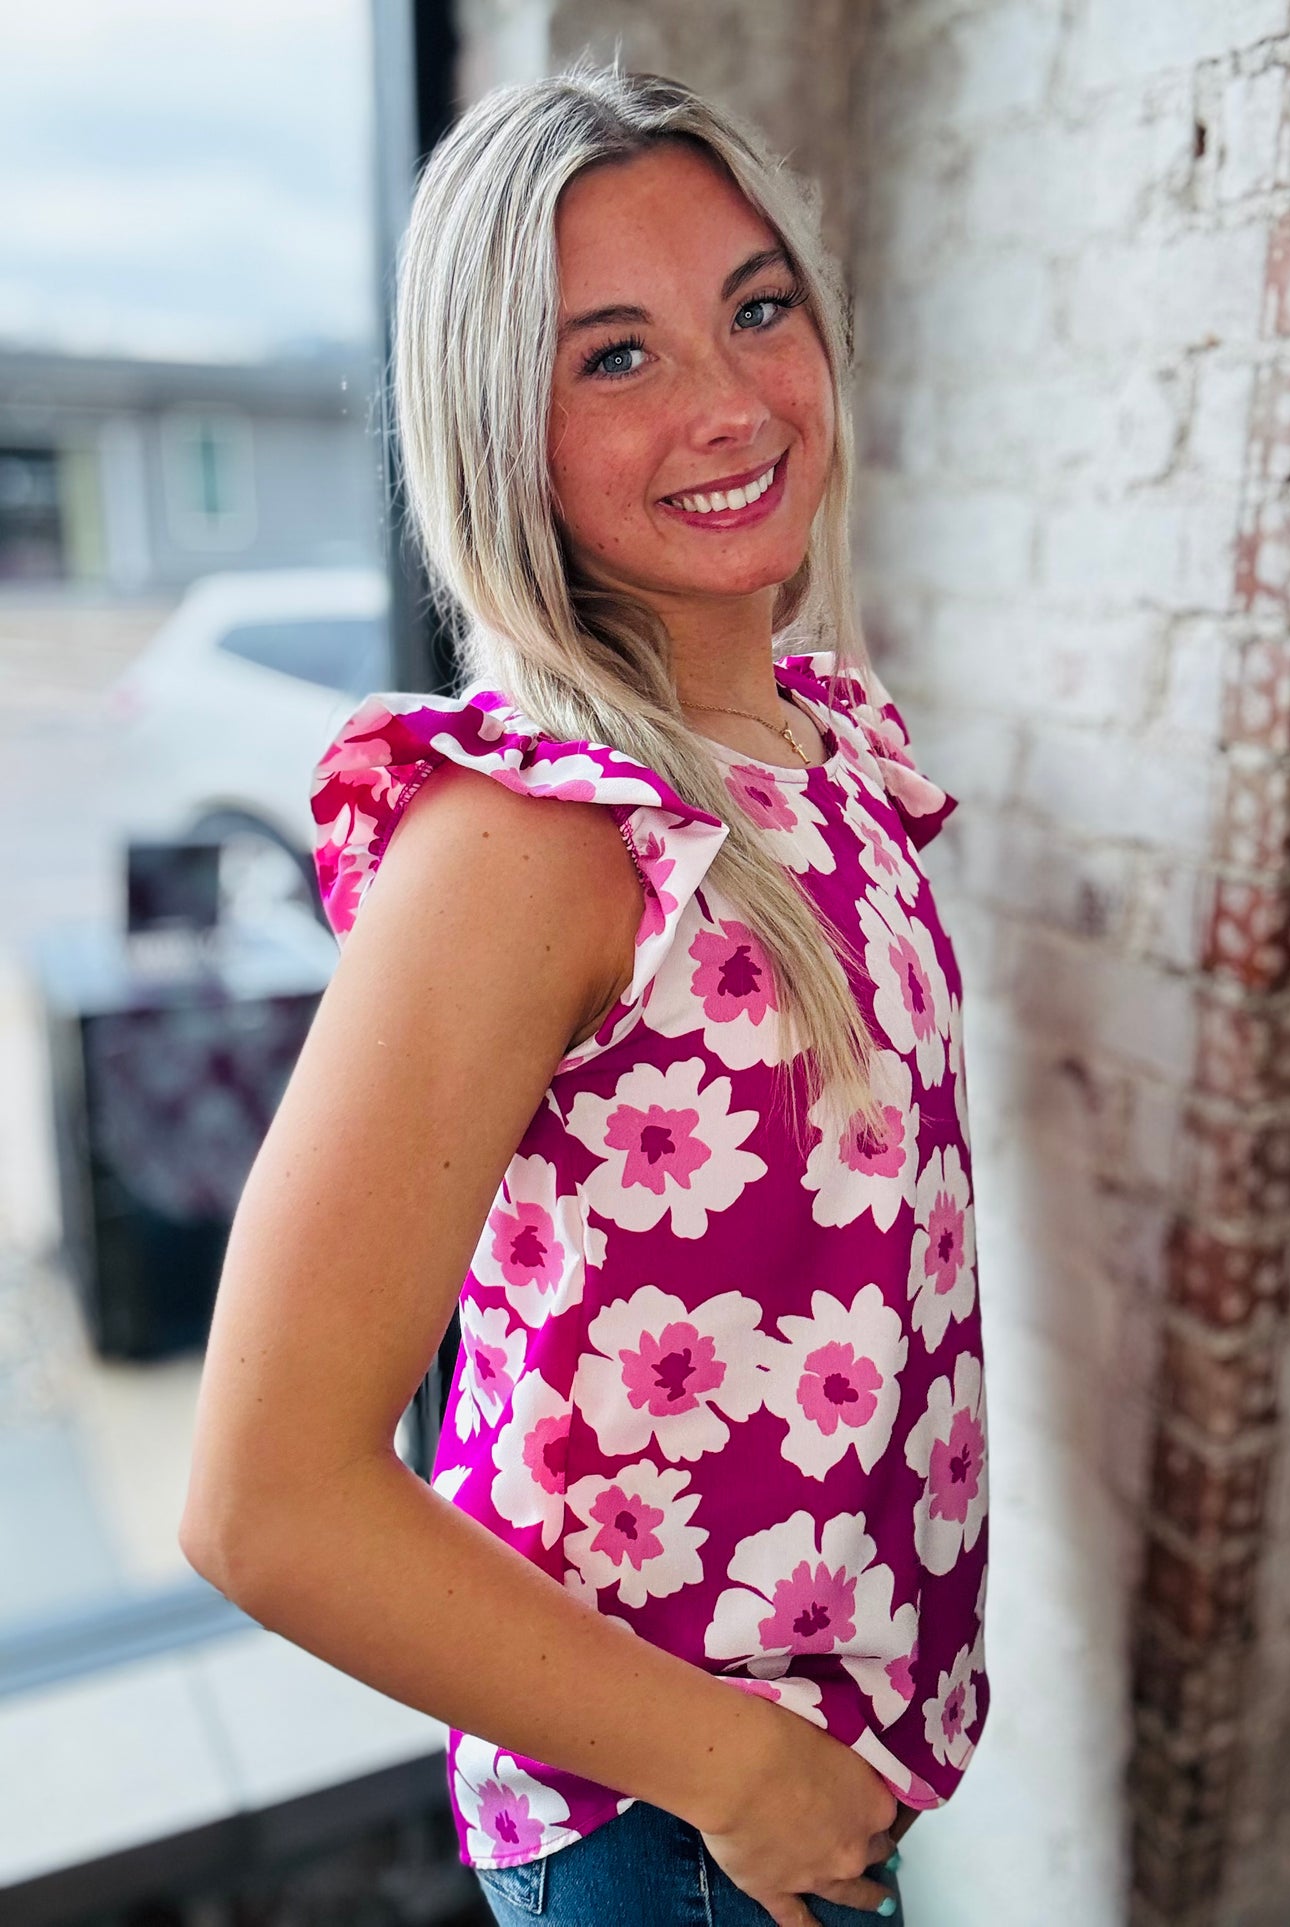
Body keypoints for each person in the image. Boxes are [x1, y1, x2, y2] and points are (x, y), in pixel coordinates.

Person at [180, 53, 988, 1927]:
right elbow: (266, 1495)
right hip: (676, 1821)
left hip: (815, 1758)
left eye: (756, 309)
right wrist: (739, 1774)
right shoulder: (528, 844)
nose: (729, 403)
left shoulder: (815, 739)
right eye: (612, 357)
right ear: (498, 426)